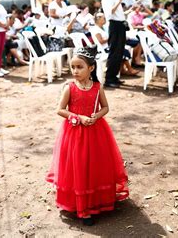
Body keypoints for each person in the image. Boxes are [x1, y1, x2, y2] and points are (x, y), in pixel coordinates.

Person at [46, 46, 129, 226]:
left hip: (96, 132)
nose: (75, 71)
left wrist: (96, 116)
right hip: (74, 134)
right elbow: (60, 110)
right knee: (79, 166)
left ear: (91, 68)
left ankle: (96, 201)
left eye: (79, 67)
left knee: (95, 164)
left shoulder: (98, 87)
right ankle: (82, 208)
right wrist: (78, 117)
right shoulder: (69, 88)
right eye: (73, 67)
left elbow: (105, 107)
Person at [101, 0, 128, 88]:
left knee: (120, 52)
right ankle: (109, 78)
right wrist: (119, 1)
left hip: (120, 25)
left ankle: (114, 76)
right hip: (114, 25)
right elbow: (109, 13)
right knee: (114, 52)